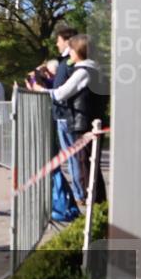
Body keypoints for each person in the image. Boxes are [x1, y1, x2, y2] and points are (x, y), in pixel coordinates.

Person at [35, 34, 107, 205]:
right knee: (91, 166)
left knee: (85, 167)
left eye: (72, 49)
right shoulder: (95, 69)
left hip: (83, 124)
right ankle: (99, 204)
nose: (70, 53)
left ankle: (92, 204)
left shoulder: (83, 71)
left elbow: (61, 93)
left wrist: (41, 90)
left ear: (79, 51)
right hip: (90, 122)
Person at [47, 26, 86, 202]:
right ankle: (80, 192)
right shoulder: (66, 63)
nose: (57, 44)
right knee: (72, 158)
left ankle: (80, 193)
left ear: (67, 41)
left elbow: (63, 91)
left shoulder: (70, 64)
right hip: (64, 115)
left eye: (59, 40)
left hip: (67, 116)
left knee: (73, 158)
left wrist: (43, 90)